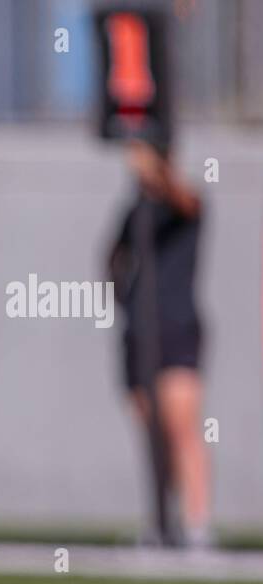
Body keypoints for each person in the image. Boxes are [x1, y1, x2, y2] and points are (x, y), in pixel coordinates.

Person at [108, 138, 211, 547]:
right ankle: (162, 519)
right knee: (150, 430)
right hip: (140, 331)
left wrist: (158, 171)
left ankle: (197, 523)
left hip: (178, 328)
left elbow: (185, 200)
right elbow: (114, 257)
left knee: (182, 426)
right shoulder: (134, 212)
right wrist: (122, 300)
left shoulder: (185, 204)